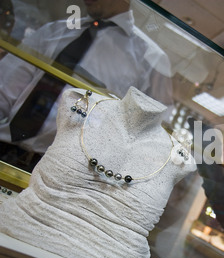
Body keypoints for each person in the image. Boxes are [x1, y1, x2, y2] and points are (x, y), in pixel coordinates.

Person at [0, 0, 173, 172]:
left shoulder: (151, 60)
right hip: (4, 145)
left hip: (63, 174)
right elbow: (4, 89)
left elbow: (149, 138)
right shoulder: (55, 31)